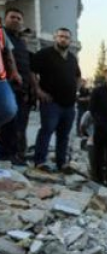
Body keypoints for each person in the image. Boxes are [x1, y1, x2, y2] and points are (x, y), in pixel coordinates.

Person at [32, 27, 81, 172]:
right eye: (61, 36)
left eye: (66, 37)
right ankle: (40, 161)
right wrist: (38, 90)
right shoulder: (44, 54)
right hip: (51, 102)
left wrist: (76, 91)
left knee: (64, 135)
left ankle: (61, 163)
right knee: (47, 130)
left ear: (70, 41)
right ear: (55, 38)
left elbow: (78, 76)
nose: (63, 39)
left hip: (69, 104)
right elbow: (32, 72)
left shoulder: (72, 58)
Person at [0, 8, 30, 165]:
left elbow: (28, 67)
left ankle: (16, 155)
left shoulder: (21, 42)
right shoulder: (3, 35)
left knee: (19, 124)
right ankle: (6, 156)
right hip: (6, 85)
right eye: (12, 17)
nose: (16, 20)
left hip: (22, 89)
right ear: (5, 19)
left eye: (19, 18)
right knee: (8, 122)